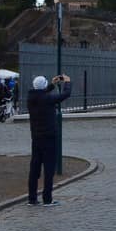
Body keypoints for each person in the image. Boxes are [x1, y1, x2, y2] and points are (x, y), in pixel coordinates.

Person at [27, 74, 72, 206]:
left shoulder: (31, 98)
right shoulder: (47, 99)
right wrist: (67, 82)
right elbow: (65, 94)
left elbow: (42, 94)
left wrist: (51, 85)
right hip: (49, 137)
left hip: (36, 137)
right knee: (49, 169)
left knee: (34, 168)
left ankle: (32, 198)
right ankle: (47, 199)